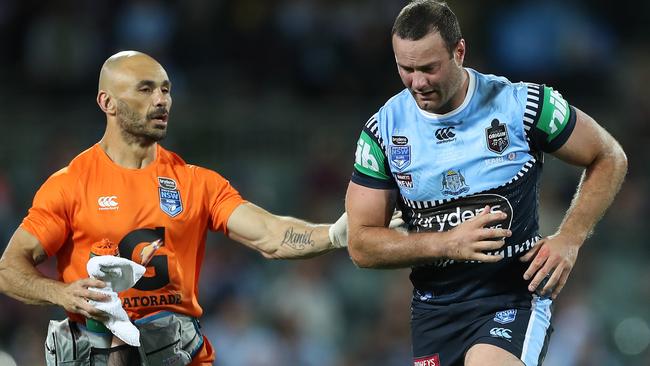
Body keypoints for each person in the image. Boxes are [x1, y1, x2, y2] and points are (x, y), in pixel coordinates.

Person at [0, 50, 351, 365]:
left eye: (166, 89)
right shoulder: (70, 184)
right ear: (107, 102)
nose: (161, 100)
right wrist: (60, 293)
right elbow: (8, 269)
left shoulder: (196, 183)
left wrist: (336, 234)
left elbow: (271, 235)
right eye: (146, 89)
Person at [344, 1, 628, 366]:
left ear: (459, 51)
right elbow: (362, 244)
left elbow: (609, 156)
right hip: (434, 311)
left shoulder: (522, 105)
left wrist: (570, 239)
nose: (418, 82)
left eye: (429, 68)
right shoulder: (383, 131)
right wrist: (448, 243)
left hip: (509, 297)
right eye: (406, 68)